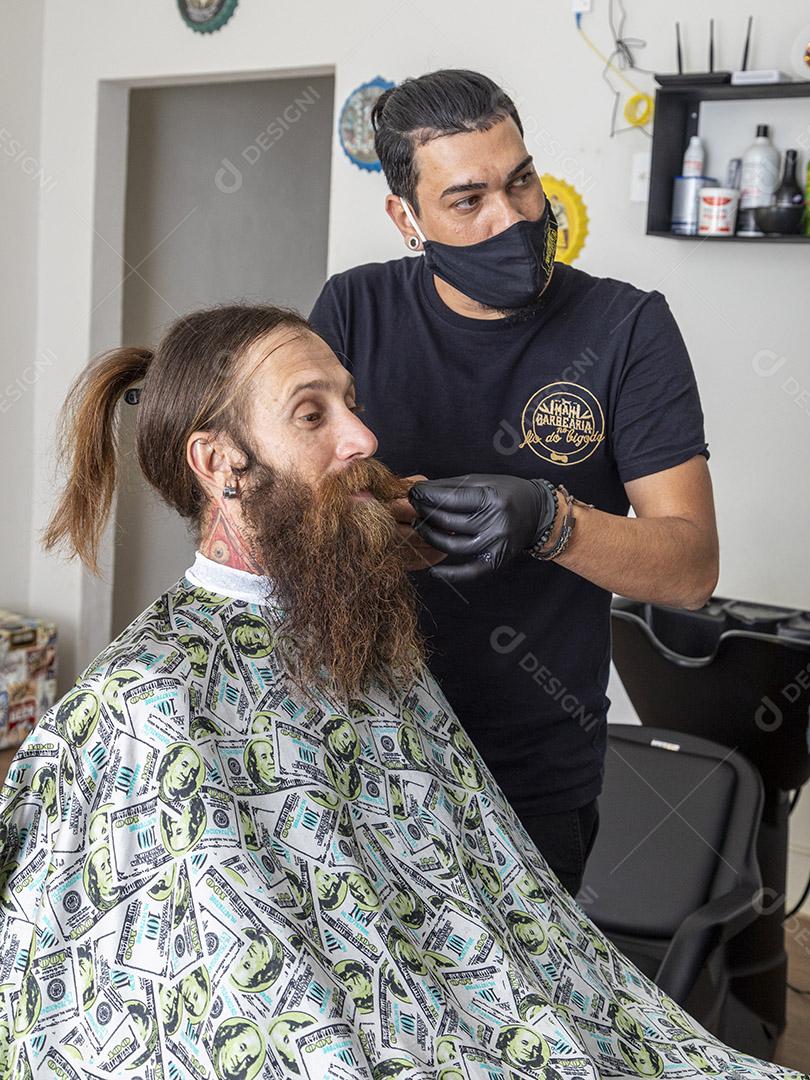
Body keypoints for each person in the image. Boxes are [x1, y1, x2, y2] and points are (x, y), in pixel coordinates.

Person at [0, 304, 795, 1080]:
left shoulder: (362, 635)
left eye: (352, 403)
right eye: (312, 415)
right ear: (218, 463)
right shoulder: (146, 703)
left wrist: (546, 522)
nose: (364, 439)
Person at [309, 68, 720, 896]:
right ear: (406, 218)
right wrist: (378, 521)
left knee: (518, 1024)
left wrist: (550, 521)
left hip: (532, 771)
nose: (514, 217)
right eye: (468, 200)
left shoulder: (626, 327)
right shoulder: (353, 310)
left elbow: (690, 571)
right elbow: (300, 507)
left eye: (521, 180)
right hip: (360, 744)